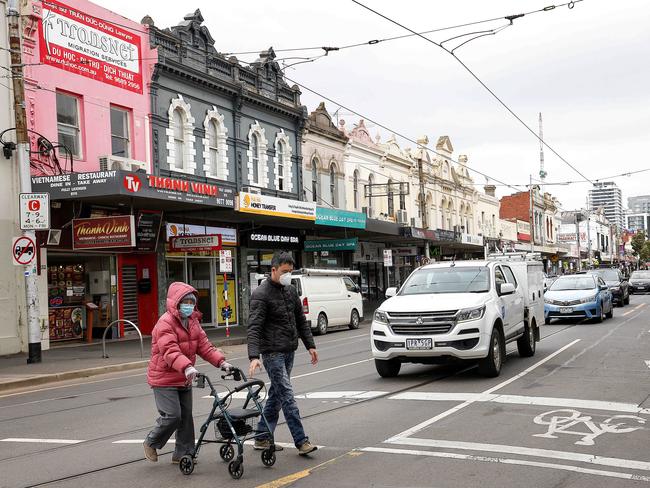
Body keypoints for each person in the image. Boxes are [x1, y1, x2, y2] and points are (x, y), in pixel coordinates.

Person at [143, 282, 231, 463]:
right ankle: (151, 441)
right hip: (164, 377)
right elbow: (170, 350)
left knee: (186, 418)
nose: (189, 306)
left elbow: (205, 347)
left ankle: (183, 454)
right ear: (176, 302)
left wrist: (221, 362)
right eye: (186, 302)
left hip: (184, 376)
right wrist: (186, 366)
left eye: (192, 302)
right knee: (173, 416)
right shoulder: (165, 323)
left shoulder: (193, 322)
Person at [247, 252, 319, 456]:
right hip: (272, 353)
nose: (288, 275)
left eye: (291, 271)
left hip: (289, 350)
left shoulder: (291, 291)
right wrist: (254, 356)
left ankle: (261, 437)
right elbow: (254, 327)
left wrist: (310, 345)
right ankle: (301, 441)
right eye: (285, 272)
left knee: (277, 395)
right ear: (273, 270)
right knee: (287, 394)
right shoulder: (261, 294)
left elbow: (300, 320)